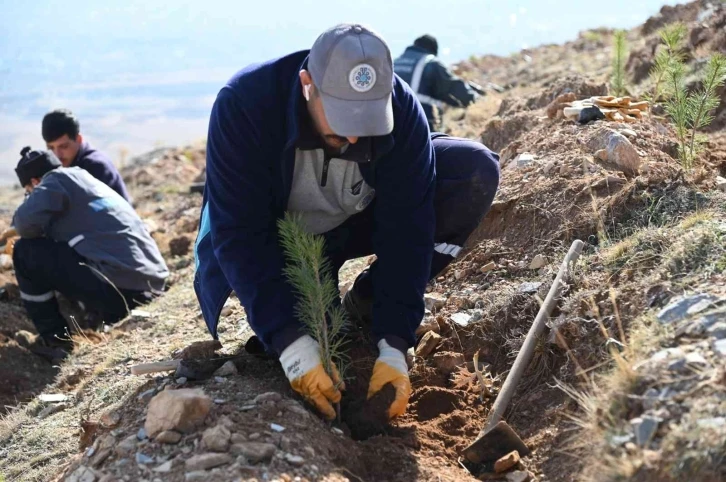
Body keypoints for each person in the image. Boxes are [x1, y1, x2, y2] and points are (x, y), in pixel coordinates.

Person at [194, 23, 499, 421]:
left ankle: (367, 303)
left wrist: (394, 344)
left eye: (367, 119)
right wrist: (291, 344)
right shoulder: (246, 105)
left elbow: (408, 229)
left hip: (352, 220)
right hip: (282, 242)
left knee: (473, 170)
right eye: (341, 117)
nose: (354, 136)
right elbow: (240, 234)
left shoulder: (401, 112)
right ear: (308, 85)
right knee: (310, 336)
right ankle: (309, 313)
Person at [11, 147, 169, 361]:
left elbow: (23, 223)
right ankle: (96, 316)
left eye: (29, 191)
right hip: (152, 282)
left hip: (122, 287)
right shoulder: (83, 177)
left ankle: (56, 341)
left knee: (25, 252)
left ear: (35, 182)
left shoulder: (54, 181)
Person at [42, 109, 132, 203]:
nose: (57, 155)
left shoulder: (96, 166)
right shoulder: (62, 164)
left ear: (78, 139)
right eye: (50, 147)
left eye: (63, 146)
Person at [393, 34, 479, 131]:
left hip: (391, 127)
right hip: (419, 128)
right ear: (433, 50)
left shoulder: (394, 63)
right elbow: (456, 92)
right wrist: (479, 98)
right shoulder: (431, 64)